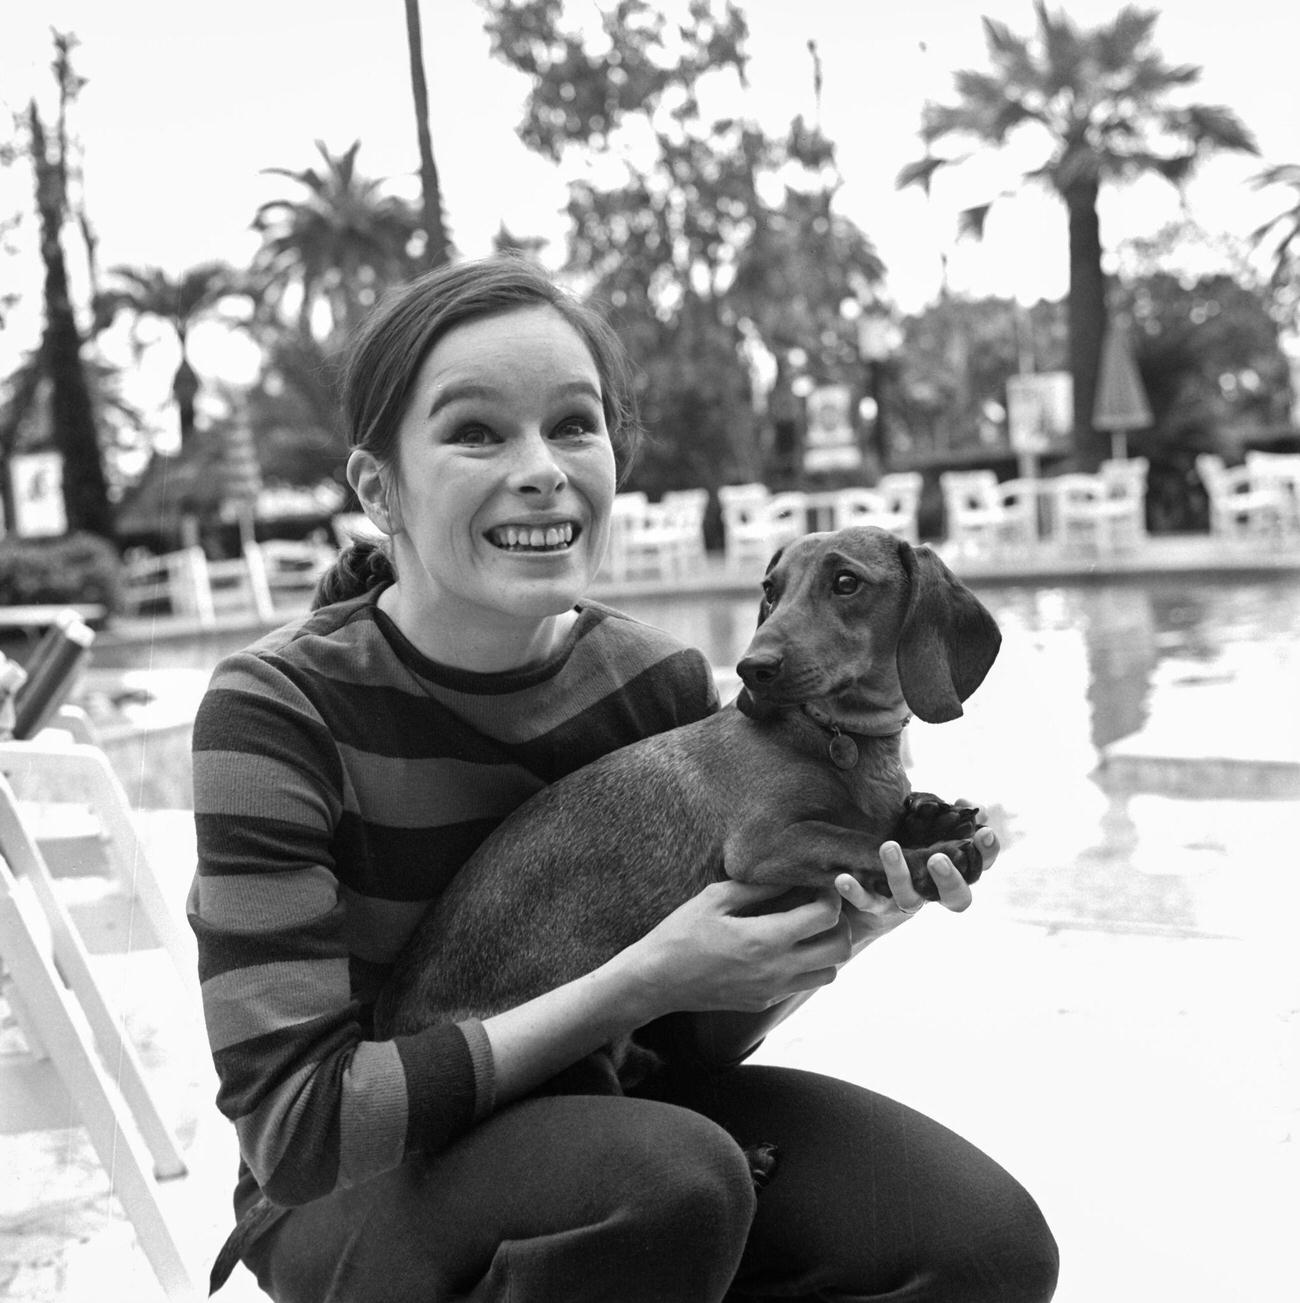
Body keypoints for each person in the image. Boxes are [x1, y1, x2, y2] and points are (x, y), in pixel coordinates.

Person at [189, 255, 1059, 1302]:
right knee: (673, 1185)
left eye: (572, 425)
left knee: (979, 1245)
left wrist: (817, 939)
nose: (542, 467)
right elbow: (296, 1131)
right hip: (349, 1190)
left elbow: (687, 1039)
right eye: (476, 431)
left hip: (607, 1114)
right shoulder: (276, 710)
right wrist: (640, 979)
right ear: (380, 487)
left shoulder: (659, 681)